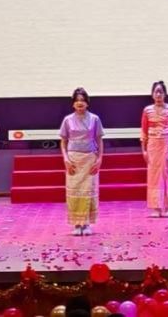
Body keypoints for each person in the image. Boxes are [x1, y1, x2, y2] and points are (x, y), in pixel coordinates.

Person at [60, 88, 105, 236]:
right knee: (74, 191)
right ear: (73, 103)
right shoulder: (67, 120)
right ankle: (76, 223)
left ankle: (86, 224)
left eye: (82, 100)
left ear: (87, 103)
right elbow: (63, 141)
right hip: (74, 160)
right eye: (77, 100)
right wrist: (66, 159)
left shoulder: (94, 119)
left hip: (90, 159)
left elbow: (99, 139)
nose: (80, 103)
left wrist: (99, 159)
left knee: (88, 192)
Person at [141, 80, 168, 217]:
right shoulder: (147, 110)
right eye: (156, 92)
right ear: (152, 94)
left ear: (165, 94)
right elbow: (144, 131)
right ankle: (156, 208)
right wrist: (143, 150)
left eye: (161, 92)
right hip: (153, 146)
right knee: (154, 175)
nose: (158, 94)